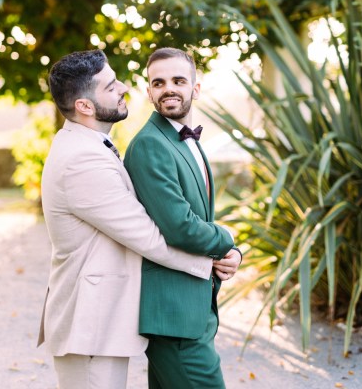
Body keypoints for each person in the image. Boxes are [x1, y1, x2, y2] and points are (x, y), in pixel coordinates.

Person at [37, 49, 236, 389]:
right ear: (85, 106)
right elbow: (150, 237)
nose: (124, 88)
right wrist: (215, 255)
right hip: (89, 324)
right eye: (111, 86)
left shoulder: (90, 145)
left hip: (100, 321)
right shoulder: (83, 160)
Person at [124, 47, 243, 389]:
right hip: (172, 314)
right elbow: (179, 227)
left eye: (178, 80)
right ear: (149, 92)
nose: (168, 89)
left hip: (193, 305)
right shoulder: (149, 144)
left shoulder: (188, 141)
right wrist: (228, 241)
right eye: (158, 82)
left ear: (196, 87)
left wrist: (229, 255)